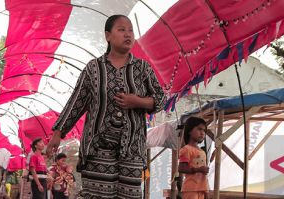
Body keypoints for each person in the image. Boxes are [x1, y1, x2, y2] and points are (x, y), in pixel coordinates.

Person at [46, 14, 166, 198]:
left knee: (130, 195)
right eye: (121, 29)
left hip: (132, 149)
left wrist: (137, 101)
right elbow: (76, 102)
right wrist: (57, 134)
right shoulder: (93, 69)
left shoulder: (143, 68)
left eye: (130, 30)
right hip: (97, 149)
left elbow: (160, 98)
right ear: (108, 36)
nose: (128, 34)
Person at [178, 117, 209, 199]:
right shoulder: (186, 149)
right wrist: (198, 169)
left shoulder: (202, 152)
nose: (202, 133)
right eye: (199, 129)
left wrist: (206, 191)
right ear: (189, 131)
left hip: (202, 189)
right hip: (190, 189)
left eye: (204, 131)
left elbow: (203, 175)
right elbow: (181, 168)